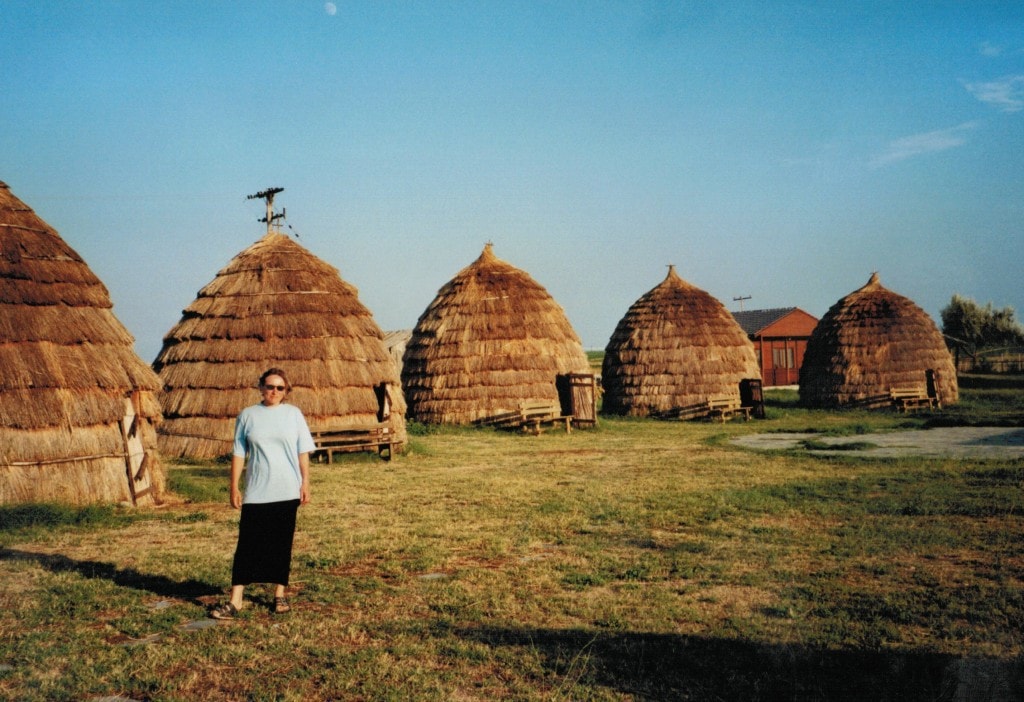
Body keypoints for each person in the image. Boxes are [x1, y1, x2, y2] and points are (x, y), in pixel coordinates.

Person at [210, 368, 315, 619]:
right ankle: (236, 600)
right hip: (257, 490)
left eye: (280, 388)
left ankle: (279, 595)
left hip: (287, 489)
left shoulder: (293, 414)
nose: (274, 392)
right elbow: (239, 453)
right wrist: (234, 486)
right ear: (261, 388)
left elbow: (302, 451)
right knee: (247, 545)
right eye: (270, 386)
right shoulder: (247, 415)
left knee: (281, 543)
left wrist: (305, 483)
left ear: (286, 391)